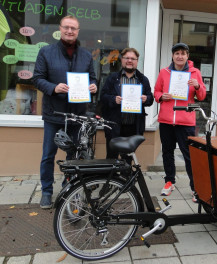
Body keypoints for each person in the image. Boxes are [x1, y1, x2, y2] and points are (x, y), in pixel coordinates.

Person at [33, 15, 97, 209]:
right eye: (66, 27)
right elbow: (37, 78)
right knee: (48, 155)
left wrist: (93, 86)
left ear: (78, 31)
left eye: (74, 28)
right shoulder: (46, 52)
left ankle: (68, 187)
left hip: (77, 116)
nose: (70, 31)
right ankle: (46, 191)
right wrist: (54, 88)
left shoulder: (86, 55)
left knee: (73, 155)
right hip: (54, 114)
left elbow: (93, 78)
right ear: (60, 29)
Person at [154, 43, 206, 202]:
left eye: (183, 53)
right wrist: (162, 96)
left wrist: (197, 86)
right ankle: (169, 181)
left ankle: (195, 187)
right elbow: (156, 91)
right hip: (167, 120)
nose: (180, 56)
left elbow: (202, 96)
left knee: (189, 155)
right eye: (177, 53)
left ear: (187, 56)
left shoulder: (195, 72)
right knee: (167, 152)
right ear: (172, 56)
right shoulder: (164, 72)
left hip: (186, 120)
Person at [100, 48, 153, 162]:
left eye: (133, 58)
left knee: (128, 159)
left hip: (133, 127)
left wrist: (146, 98)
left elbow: (150, 98)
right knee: (111, 158)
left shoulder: (143, 80)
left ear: (137, 61)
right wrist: (114, 99)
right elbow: (103, 96)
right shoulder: (112, 78)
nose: (129, 60)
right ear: (122, 60)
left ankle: (126, 179)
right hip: (114, 126)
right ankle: (112, 179)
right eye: (127, 58)